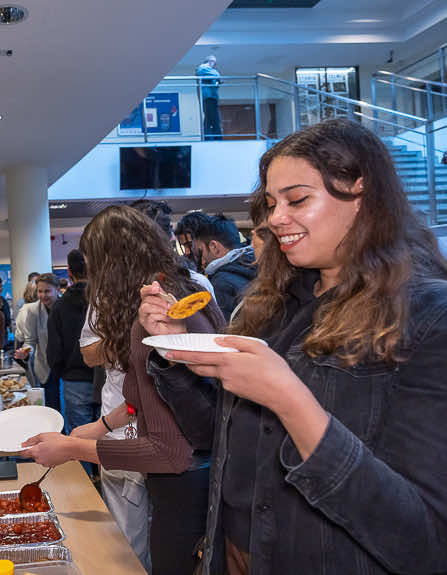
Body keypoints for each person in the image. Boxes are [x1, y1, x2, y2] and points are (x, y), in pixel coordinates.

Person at [140, 118, 447, 574]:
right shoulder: (272, 307)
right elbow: (213, 437)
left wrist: (290, 400)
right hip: (237, 553)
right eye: (270, 203)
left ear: (361, 195)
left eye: (297, 199)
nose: (274, 219)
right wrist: (176, 354)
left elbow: (422, 539)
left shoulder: (428, 316)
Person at [22, 206, 225, 575]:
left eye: (96, 268)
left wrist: (72, 448)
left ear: (114, 266)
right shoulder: (171, 296)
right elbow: (145, 401)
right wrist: (99, 427)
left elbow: (168, 451)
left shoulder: (157, 316)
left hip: (187, 484)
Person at [47, 250, 96, 442]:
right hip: (106, 379)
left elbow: (54, 350)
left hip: (74, 380)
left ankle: (84, 474)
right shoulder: (103, 301)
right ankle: (101, 474)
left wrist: (61, 373)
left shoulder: (59, 306)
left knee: (78, 440)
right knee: (107, 440)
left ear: (69, 272)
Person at [191, 214, 256, 320]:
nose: (201, 262)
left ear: (214, 247)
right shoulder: (257, 264)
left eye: (200, 253)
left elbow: (221, 330)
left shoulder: (221, 283)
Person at [14, 273, 62, 412]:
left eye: (47, 291)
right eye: (40, 291)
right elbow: (30, 341)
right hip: (45, 367)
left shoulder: (65, 307)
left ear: (57, 290)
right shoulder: (33, 310)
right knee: (51, 407)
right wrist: (25, 352)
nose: (42, 295)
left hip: (66, 367)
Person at [197, 54, 222, 140]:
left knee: (211, 118)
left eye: (214, 62)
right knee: (212, 118)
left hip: (212, 97)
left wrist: (217, 79)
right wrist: (217, 76)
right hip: (208, 97)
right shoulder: (202, 67)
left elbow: (217, 81)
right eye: (212, 61)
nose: (213, 64)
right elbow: (217, 75)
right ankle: (216, 138)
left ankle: (211, 138)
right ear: (208, 61)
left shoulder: (210, 70)